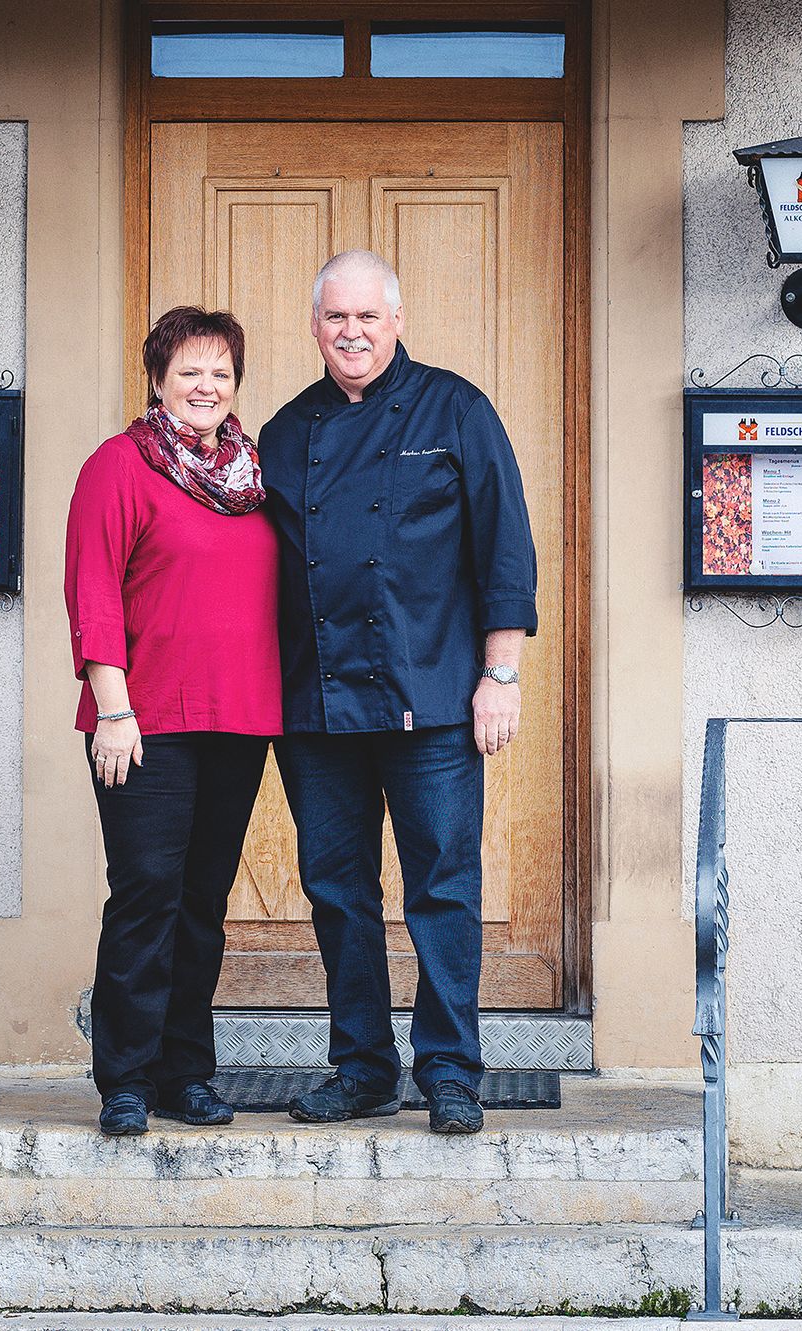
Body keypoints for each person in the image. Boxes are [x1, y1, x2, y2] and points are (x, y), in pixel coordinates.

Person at [258, 251, 537, 1134]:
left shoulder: (457, 409)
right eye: (335, 318)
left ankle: (451, 1069)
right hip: (317, 704)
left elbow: (505, 551)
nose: (351, 333)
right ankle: (364, 1067)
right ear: (313, 327)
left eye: (367, 317)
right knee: (338, 891)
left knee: (443, 889)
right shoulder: (284, 430)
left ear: (397, 320)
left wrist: (501, 675)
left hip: (436, 700)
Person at [64, 306, 281, 1136]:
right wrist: (112, 706)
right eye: (188, 370)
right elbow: (93, 588)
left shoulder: (252, 475)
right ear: (157, 378)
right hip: (141, 720)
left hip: (239, 718)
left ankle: (185, 1073)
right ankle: (125, 1077)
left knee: (201, 902)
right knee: (146, 896)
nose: (205, 386)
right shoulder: (120, 466)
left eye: (219, 372)